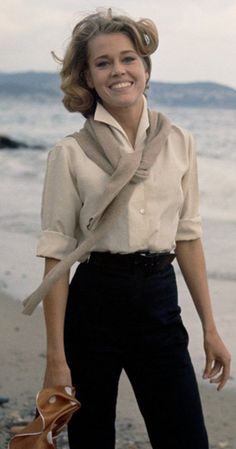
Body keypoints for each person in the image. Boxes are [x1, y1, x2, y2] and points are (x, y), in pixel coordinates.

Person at [30, 9, 231, 449]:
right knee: (92, 440)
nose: (118, 71)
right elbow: (57, 256)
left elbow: (188, 237)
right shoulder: (70, 154)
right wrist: (56, 359)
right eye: (103, 63)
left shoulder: (179, 141)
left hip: (160, 303)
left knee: (185, 439)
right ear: (87, 75)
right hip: (94, 305)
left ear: (145, 67)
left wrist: (210, 329)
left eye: (128, 59)